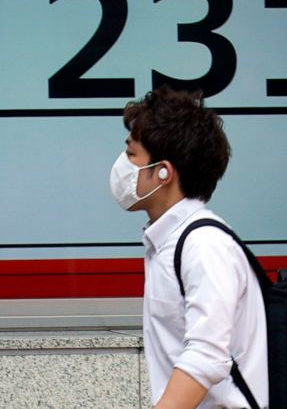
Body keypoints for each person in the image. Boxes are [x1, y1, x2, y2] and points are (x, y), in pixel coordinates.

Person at [108, 86, 268, 409]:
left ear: (163, 172)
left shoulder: (204, 246)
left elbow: (206, 356)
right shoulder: (169, 242)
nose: (122, 164)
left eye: (132, 154)